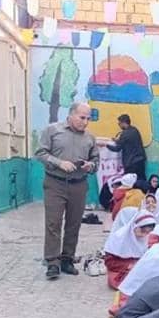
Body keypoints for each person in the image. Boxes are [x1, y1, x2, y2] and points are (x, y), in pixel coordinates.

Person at [34, 102, 99, 280]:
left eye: (88, 119)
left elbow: (96, 162)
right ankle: (52, 262)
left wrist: (90, 166)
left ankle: (67, 259)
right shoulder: (52, 131)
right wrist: (59, 163)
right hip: (55, 183)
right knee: (53, 223)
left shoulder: (90, 139)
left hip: (79, 184)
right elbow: (40, 153)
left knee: (74, 223)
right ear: (71, 115)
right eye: (82, 117)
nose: (85, 122)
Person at [103, 211, 157, 290]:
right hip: (119, 271)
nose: (144, 235)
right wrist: (129, 266)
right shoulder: (118, 238)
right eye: (142, 231)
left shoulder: (145, 239)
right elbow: (109, 263)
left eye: (147, 232)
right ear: (134, 226)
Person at [102, 114, 147, 183]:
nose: (119, 125)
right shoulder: (135, 130)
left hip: (131, 163)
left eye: (119, 123)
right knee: (142, 181)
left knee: (130, 183)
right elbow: (128, 142)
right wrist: (117, 141)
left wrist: (106, 145)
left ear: (123, 123)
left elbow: (117, 149)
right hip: (140, 161)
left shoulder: (125, 133)